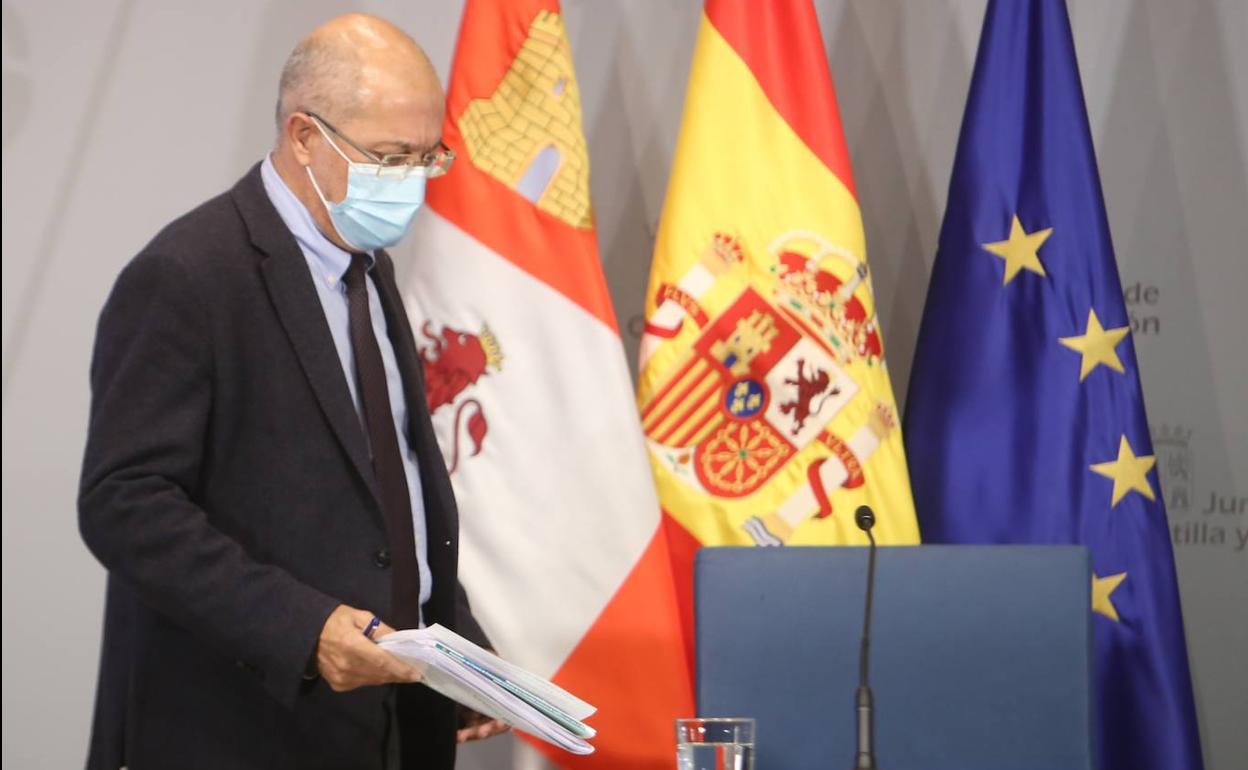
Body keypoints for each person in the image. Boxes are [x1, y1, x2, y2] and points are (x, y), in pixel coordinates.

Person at [78, 13, 507, 769]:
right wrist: (303, 629)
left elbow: (391, 483)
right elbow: (124, 502)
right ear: (304, 137)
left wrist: (452, 639)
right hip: (240, 728)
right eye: (389, 157)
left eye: (426, 157)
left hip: (391, 725)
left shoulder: (369, 267)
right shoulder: (187, 276)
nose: (410, 182)